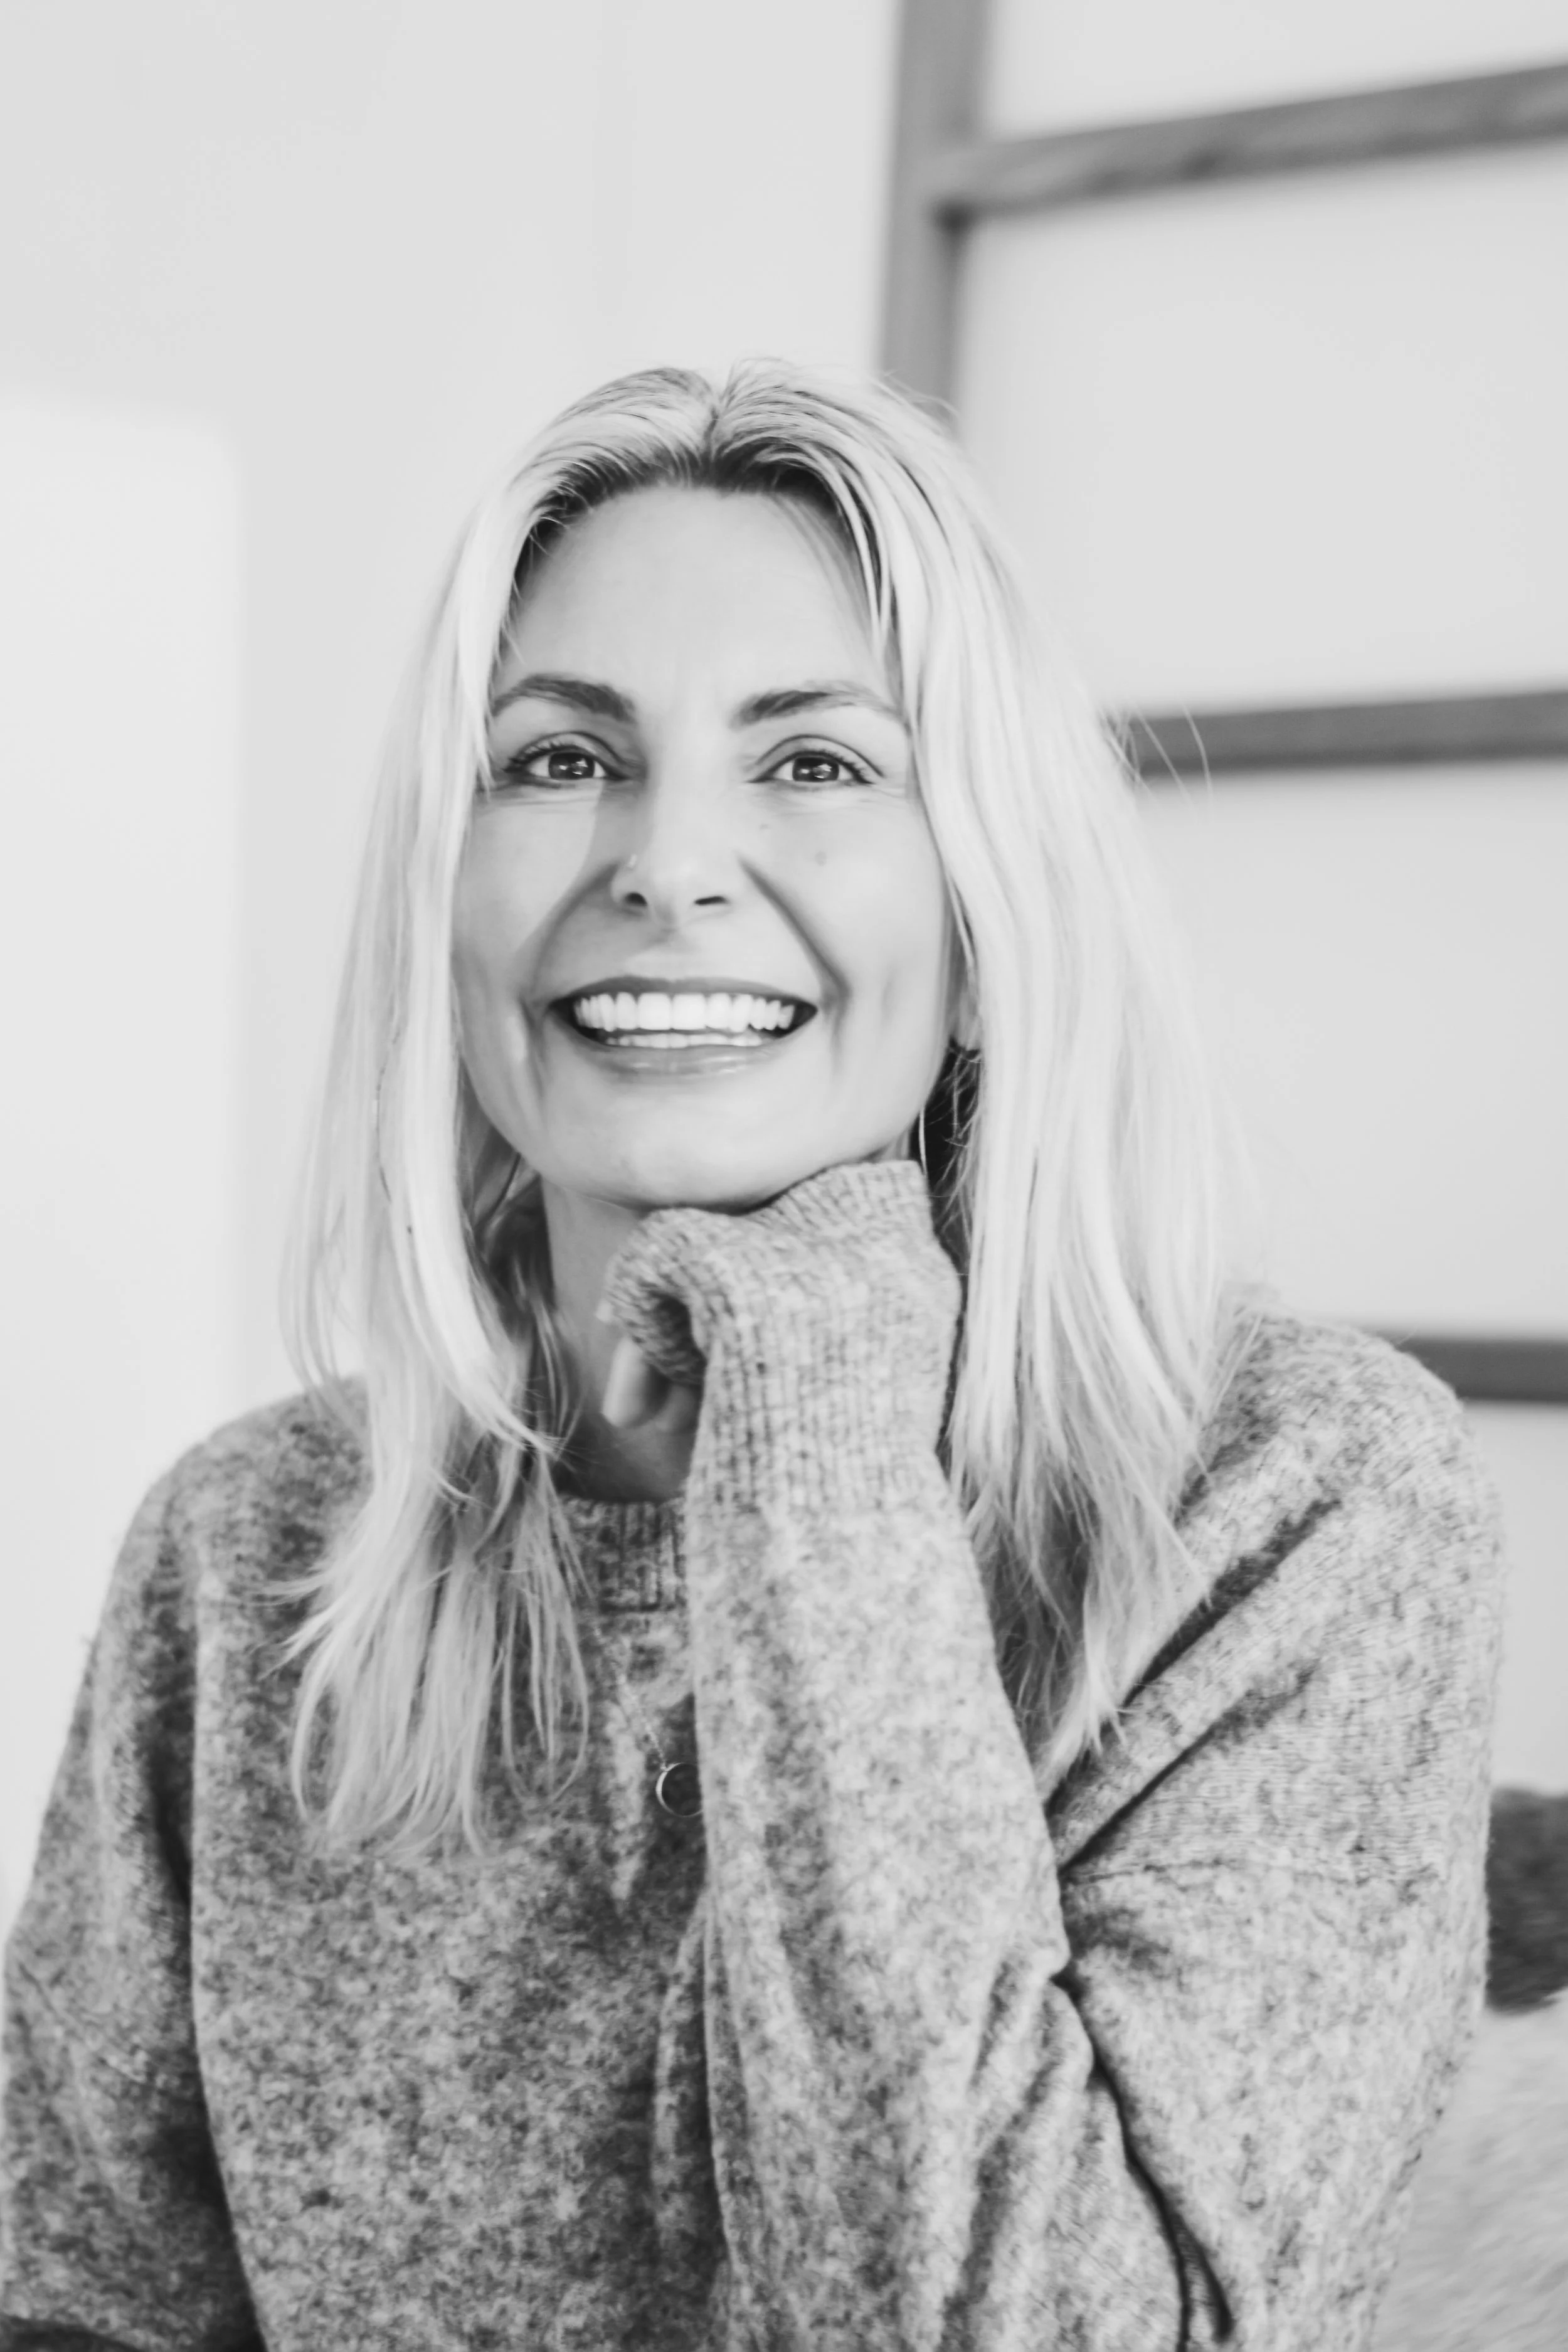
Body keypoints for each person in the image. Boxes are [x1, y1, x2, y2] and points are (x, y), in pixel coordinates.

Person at [0, 362, 1504, 2351]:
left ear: (985, 919)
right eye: (558, 758)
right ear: (445, 902)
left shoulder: (1304, 1498)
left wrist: (811, 1412)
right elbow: (82, 2307)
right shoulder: (251, 1541)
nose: (666, 862)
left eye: (812, 761)